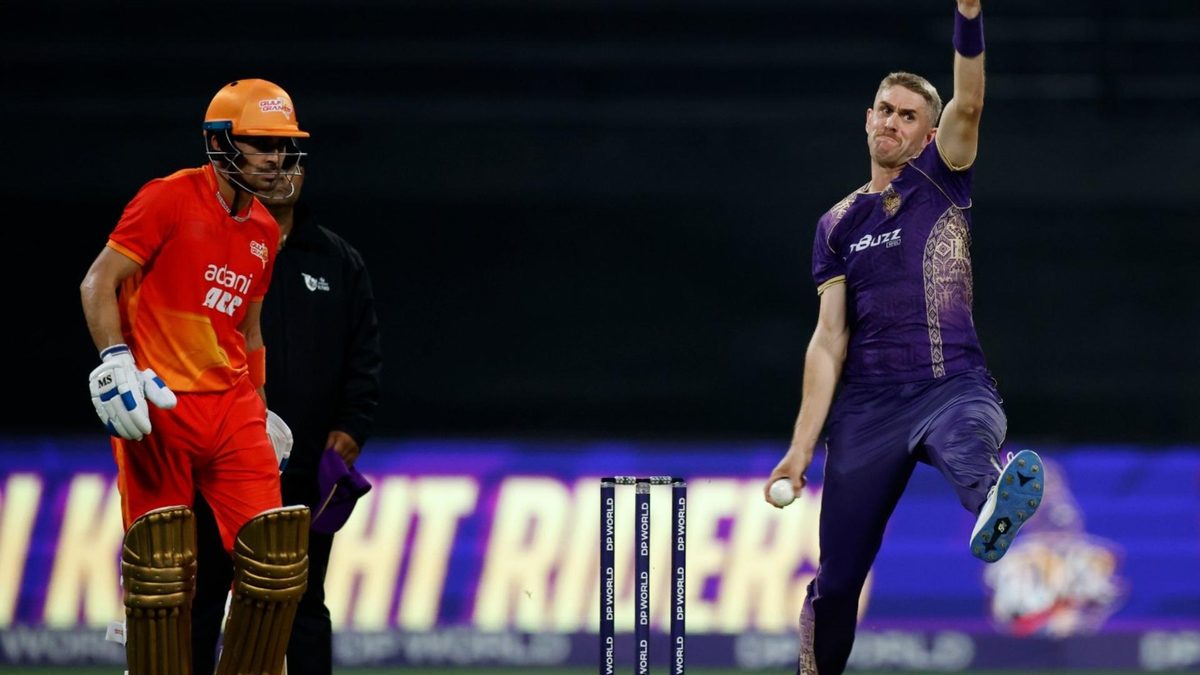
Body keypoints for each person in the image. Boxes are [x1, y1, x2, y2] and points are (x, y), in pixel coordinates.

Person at [762, 3, 1045, 674]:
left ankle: (993, 500)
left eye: (908, 115)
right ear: (867, 119)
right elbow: (828, 339)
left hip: (952, 386)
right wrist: (800, 448)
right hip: (867, 410)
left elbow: (970, 103)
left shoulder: (941, 178)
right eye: (884, 110)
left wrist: (968, 15)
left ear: (929, 134)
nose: (892, 121)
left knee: (969, 441)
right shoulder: (837, 224)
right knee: (836, 583)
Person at [80, 78, 313, 675]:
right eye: (261, 143)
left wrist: (261, 407)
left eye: (282, 145)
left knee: (274, 562)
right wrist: (115, 362)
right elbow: (98, 282)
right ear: (219, 142)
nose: (276, 158)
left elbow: (248, 332)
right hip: (158, 406)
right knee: (162, 572)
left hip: (232, 409)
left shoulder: (265, 231)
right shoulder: (167, 198)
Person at [190, 164, 383, 675]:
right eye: (270, 155)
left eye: (293, 159)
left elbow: (364, 356)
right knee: (204, 595)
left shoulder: (338, 261)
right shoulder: (212, 247)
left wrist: (353, 425)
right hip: (219, 462)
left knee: (303, 601)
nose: (281, 171)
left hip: (304, 468)